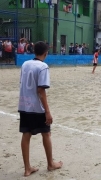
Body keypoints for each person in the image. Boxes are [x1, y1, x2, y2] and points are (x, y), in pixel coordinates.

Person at [18, 41, 63, 177]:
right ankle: (50, 163)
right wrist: (47, 111)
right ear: (46, 53)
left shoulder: (25, 64)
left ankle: (27, 169)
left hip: (24, 105)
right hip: (37, 107)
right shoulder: (43, 67)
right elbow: (41, 90)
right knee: (46, 133)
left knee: (26, 134)